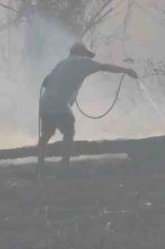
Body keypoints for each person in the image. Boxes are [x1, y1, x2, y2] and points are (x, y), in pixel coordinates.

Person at [38, 42, 137, 174]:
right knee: (69, 132)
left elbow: (46, 81)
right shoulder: (82, 62)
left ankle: (40, 166)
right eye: (86, 54)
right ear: (81, 53)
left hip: (46, 103)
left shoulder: (61, 64)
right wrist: (126, 70)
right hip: (60, 104)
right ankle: (64, 165)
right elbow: (104, 67)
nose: (87, 57)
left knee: (46, 135)